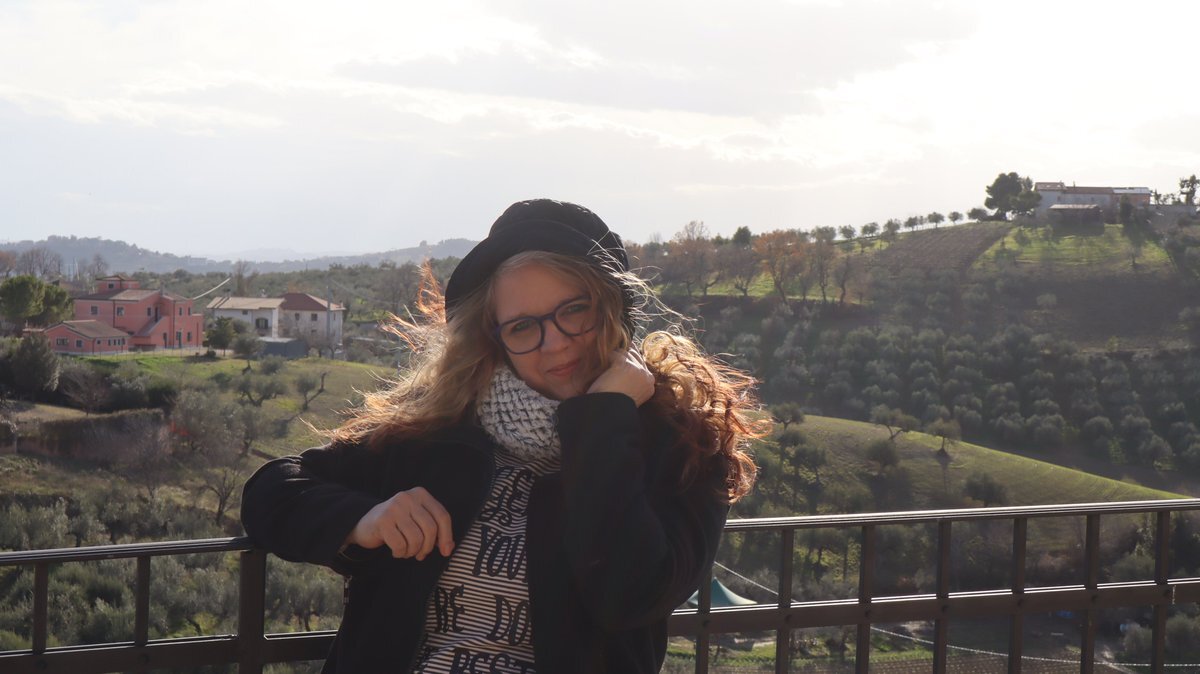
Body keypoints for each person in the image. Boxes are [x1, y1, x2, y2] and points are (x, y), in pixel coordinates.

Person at [240, 198, 759, 673]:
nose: (554, 343)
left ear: (613, 309)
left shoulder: (684, 448)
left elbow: (631, 595)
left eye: (574, 310)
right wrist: (363, 519)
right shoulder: (436, 433)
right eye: (523, 326)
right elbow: (272, 491)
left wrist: (603, 417)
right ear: (495, 339)